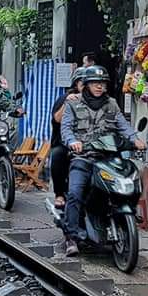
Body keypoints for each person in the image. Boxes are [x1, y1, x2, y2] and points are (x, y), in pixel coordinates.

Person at [61, 65, 145, 257]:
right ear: (87, 85)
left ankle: (121, 217)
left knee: (129, 179)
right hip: (83, 158)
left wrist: (135, 140)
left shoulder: (112, 104)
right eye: (95, 83)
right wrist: (73, 142)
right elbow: (66, 129)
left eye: (102, 83)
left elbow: (123, 126)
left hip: (108, 158)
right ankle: (71, 236)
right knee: (75, 193)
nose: (100, 87)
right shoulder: (73, 104)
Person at [49, 67, 87, 209]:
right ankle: (59, 193)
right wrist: (68, 102)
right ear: (76, 84)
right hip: (66, 143)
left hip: (92, 143)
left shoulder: (102, 100)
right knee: (58, 154)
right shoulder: (66, 98)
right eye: (83, 82)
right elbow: (57, 119)